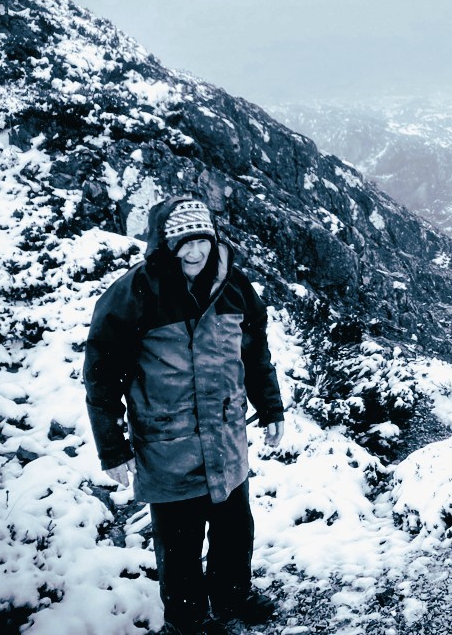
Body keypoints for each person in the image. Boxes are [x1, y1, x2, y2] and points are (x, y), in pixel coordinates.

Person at [83, 196, 285, 634]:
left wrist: (270, 406)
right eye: (183, 242)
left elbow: (254, 353)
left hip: (227, 441)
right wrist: (112, 448)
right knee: (179, 545)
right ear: (165, 244)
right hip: (167, 447)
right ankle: (187, 620)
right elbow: (101, 373)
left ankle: (233, 597)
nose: (195, 252)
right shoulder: (135, 293)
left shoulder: (235, 288)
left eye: (202, 241)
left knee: (235, 532)